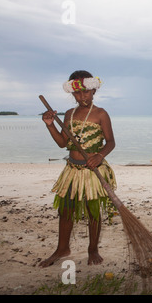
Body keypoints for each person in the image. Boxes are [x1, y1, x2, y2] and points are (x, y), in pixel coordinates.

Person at [39, 70, 117, 267]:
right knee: (65, 210)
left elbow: (110, 142)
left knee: (93, 212)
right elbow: (62, 143)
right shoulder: (70, 114)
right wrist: (49, 125)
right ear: (72, 94)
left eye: (87, 92)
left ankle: (93, 249)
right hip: (72, 170)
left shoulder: (101, 114)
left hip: (92, 171)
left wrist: (100, 156)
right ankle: (62, 248)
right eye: (78, 93)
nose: (83, 96)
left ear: (93, 91)